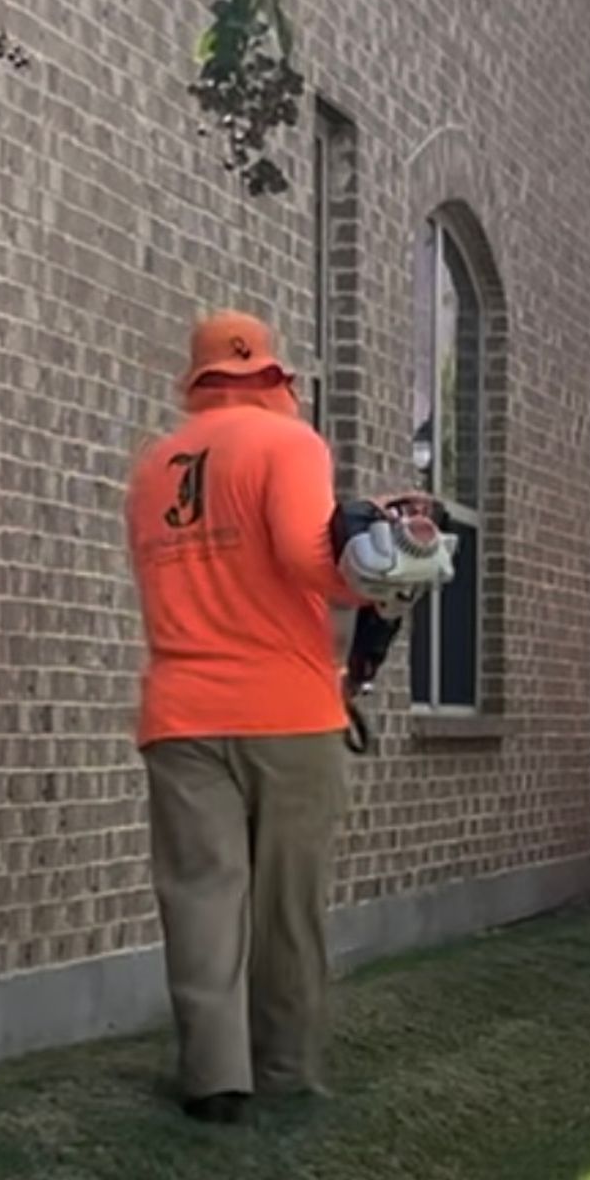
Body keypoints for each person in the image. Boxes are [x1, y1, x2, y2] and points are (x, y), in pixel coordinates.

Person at [126, 312, 355, 1122]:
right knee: (287, 903)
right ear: (272, 377)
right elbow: (306, 557)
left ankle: (214, 1078)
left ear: (200, 380)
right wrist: (378, 571)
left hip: (181, 711)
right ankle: (286, 1067)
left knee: (201, 896)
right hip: (286, 711)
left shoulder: (154, 465)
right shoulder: (291, 446)